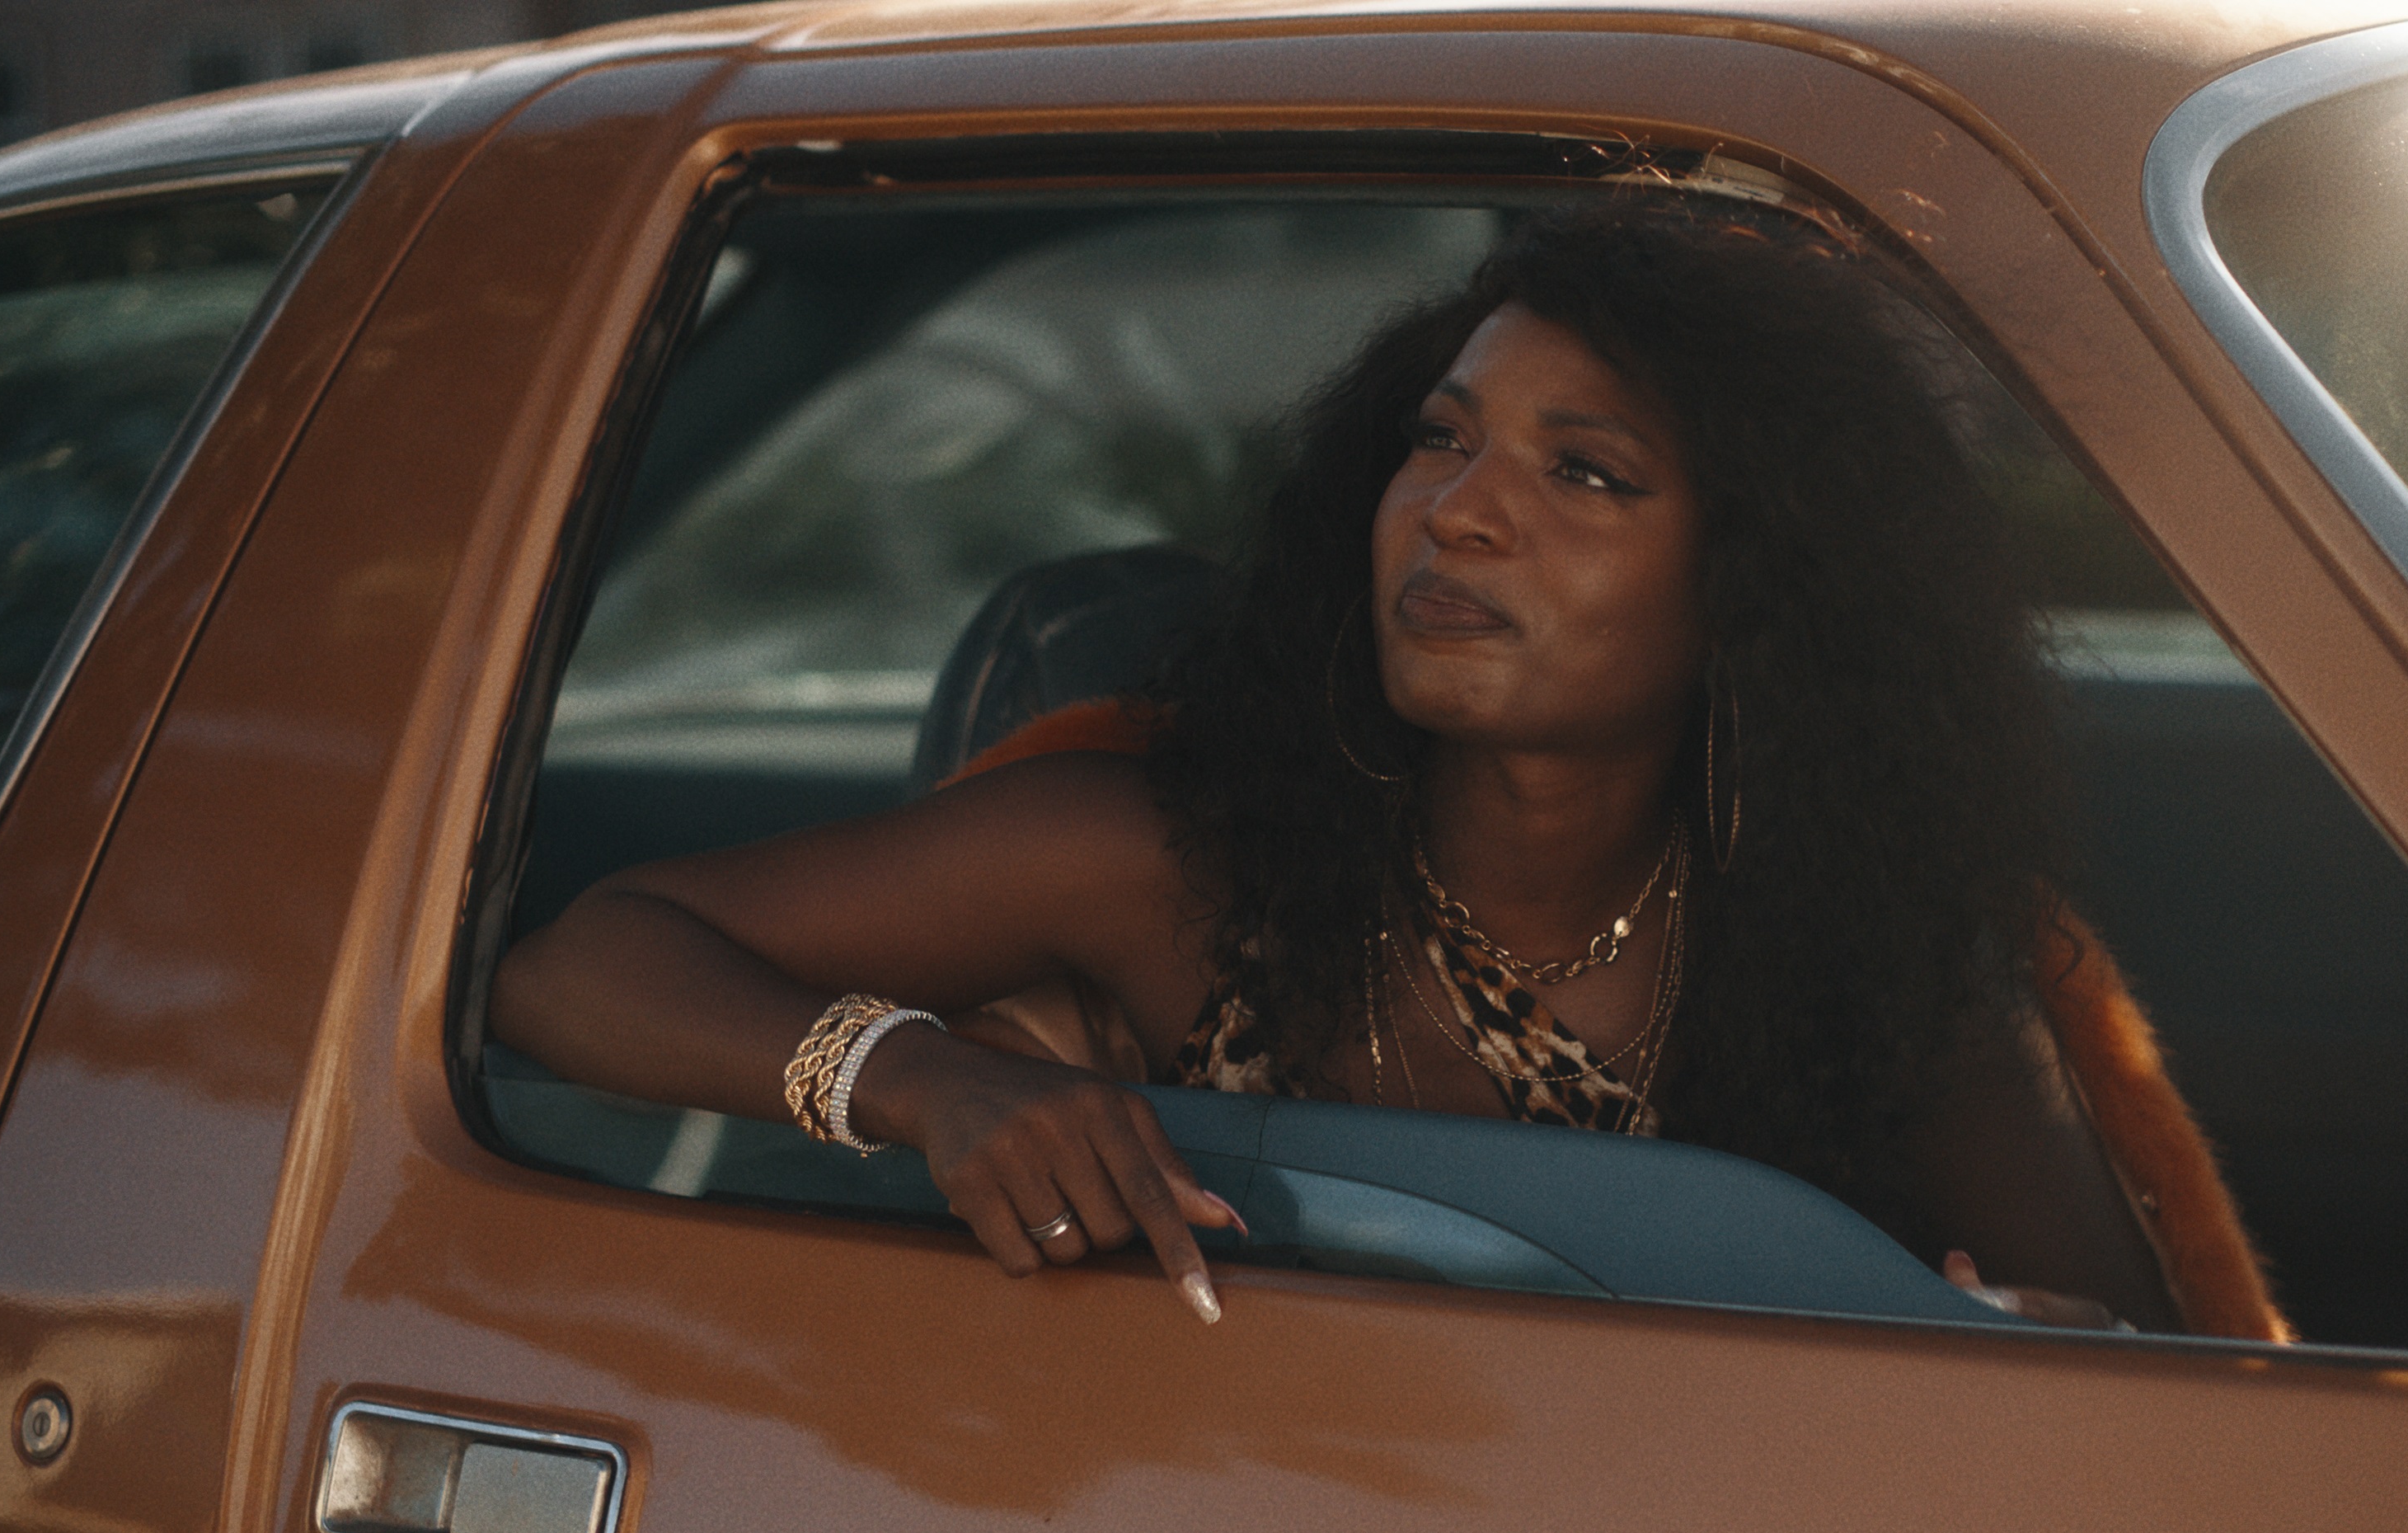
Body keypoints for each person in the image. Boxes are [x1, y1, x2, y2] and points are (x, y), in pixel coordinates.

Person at [492, 195, 2279, 1336]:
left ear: (1760, 592)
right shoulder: (1167, 858)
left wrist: (1998, 1348)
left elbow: (2136, 1385)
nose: (1460, 511)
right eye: (1440, 439)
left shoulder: (1886, 962)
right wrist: (924, 1081)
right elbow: (575, 971)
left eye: (1586, 473)